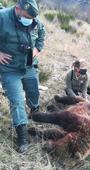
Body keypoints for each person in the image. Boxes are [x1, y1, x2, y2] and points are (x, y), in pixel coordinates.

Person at [0, 0, 45, 152]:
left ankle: (34, 111)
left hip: (29, 66)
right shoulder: (2, 17)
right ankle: (22, 136)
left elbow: (41, 34)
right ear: (17, 9)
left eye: (32, 18)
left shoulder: (34, 20)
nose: (29, 20)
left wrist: (37, 50)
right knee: (17, 101)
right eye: (26, 16)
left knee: (33, 93)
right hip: (10, 69)